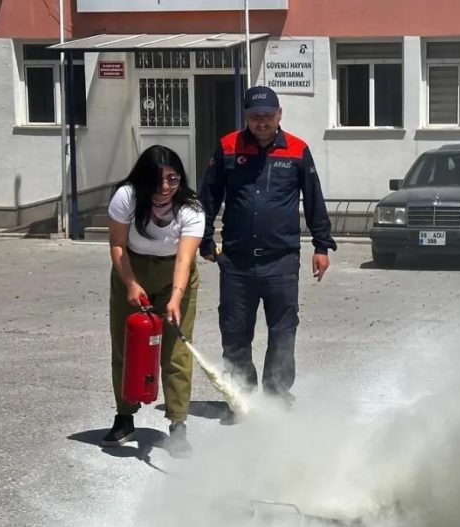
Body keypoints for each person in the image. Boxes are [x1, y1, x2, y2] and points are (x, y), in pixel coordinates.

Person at [200, 86, 337, 421]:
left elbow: (314, 199)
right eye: (254, 116)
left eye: (267, 116)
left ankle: (276, 396)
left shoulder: (297, 150)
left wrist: (321, 245)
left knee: (282, 332)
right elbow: (209, 196)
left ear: (279, 114)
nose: (261, 122)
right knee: (234, 333)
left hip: (281, 261)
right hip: (236, 262)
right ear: (246, 117)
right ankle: (242, 399)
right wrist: (203, 238)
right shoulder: (228, 147)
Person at [102, 145, 204, 458]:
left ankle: (177, 424)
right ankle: (125, 416)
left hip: (176, 275)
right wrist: (131, 284)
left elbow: (185, 260)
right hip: (132, 268)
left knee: (176, 351)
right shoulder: (127, 197)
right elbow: (117, 244)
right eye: (157, 181)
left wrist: (175, 298)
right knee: (126, 344)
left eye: (173, 180)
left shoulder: (191, 207)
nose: (164, 189)